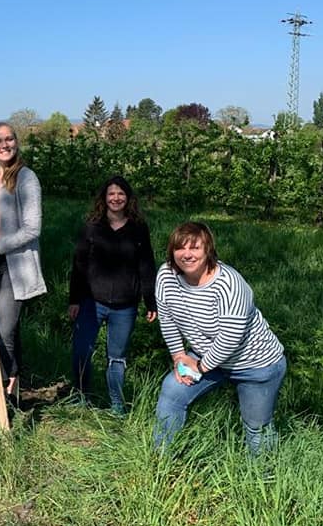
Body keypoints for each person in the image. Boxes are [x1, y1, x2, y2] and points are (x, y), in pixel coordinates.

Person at [153, 222, 286, 455]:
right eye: (179, 248)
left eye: (195, 248)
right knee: (172, 391)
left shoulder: (229, 284)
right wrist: (179, 356)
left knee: (256, 427)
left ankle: (264, 479)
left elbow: (230, 337)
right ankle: (159, 458)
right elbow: (167, 317)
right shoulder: (166, 276)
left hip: (255, 363)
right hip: (207, 356)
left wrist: (201, 366)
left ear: (208, 251)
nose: (186, 254)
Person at [67, 176, 157, 414]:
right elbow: (79, 265)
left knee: (117, 358)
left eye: (120, 194)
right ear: (104, 198)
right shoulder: (92, 227)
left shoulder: (138, 228)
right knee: (81, 350)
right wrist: (74, 300)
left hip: (125, 306)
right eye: (111, 194)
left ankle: (117, 404)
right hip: (91, 301)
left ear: (128, 198)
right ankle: (81, 396)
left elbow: (147, 265)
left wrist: (150, 300)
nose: (116, 198)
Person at [0, 122, 47, 404]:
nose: (5, 145)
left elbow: (33, 229)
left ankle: (1, 394)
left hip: (14, 265)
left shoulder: (26, 178)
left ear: (17, 142)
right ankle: (11, 384)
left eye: (10, 139)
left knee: (4, 328)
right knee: (3, 327)